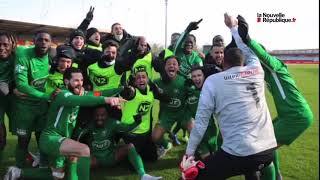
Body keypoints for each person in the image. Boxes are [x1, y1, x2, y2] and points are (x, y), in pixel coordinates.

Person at [181, 14, 277, 180]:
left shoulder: (213, 81)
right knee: (251, 168)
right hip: (268, 151)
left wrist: (189, 154)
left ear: (224, 61)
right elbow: (248, 49)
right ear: (243, 61)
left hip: (238, 154)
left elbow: (201, 123)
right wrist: (233, 28)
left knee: (191, 176)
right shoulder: (256, 70)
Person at [5, 67, 125, 180]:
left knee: (58, 175)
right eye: (76, 80)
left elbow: (98, 93)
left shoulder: (80, 94)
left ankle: (17, 173)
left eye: (82, 80)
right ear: (67, 81)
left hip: (62, 139)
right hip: (51, 138)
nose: (80, 83)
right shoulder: (63, 94)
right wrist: (106, 100)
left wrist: (120, 89)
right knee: (84, 150)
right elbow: (83, 100)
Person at [237, 15, 314, 180]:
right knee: (265, 142)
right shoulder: (267, 73)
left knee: (263, 148)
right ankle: (277, 174)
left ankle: (272, 176)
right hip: (288, 115)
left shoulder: (275, 67)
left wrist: (248, 39)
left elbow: (263, 56)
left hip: (296, 116)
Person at [77, 106, 162, 180]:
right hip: (95, 160)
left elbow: (127, 128)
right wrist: (80, 129)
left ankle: (143, 175)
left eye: (102, 115)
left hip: (112, 157)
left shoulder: (112, 123)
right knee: (77, 159)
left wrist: (137, 122)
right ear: (93, 116)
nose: (99, 118)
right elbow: (76, 137)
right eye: (97, 115)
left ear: (107, 115)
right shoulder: (89, 125)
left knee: (130, 146)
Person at [13, 31, 53, 168]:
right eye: (40, 40)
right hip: (25, 107)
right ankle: (18, 168)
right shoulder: (23, 54)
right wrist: (45, 96)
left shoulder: (53, 55)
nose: (43, 43)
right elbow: (21, 85)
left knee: (42, 138)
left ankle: (43, 165)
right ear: (33, 41)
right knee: (23, 140)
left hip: (42, 107)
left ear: (50, 43)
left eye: (47, 40)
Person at [121, 69, 166, 162]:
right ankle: (121, 151)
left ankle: (154, 148)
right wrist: (125, 89)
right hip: (130, 133)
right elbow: (125, 93)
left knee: (152, 158)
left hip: (144, 133)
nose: (141, 80)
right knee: (130, 163)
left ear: (148, 80)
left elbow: (166, 98)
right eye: (138, 78)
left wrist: (157, 89)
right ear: (135, 81)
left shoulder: (151, 91)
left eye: (143, 77)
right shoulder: (132, 92)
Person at [153, 56, 191, 158]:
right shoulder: (158, 82)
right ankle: (166, 145)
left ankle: (195, 150)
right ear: (165, 67)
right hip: (167, 114)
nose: (171, 66)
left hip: (182, 112)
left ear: (178, 68)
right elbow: (146, 87)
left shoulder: (184, 81)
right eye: (169, 64)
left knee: (194, 131)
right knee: (155, 137)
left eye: (174, 64)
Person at [0, 31, 17, 163]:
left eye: (5, 44)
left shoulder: (19, 56)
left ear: (12, 45)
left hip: (14, 98)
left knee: (23, 129)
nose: (1, 47)